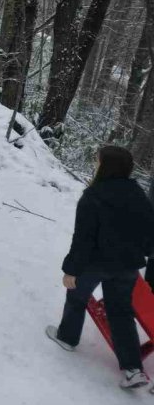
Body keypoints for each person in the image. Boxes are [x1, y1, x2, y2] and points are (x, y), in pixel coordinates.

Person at [46, 145, 154, 389]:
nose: (95, 164)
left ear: (105, 166)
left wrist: (71, 270)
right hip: (127, 266)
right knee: (120, 311)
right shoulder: (138, 194)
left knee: (77, 298)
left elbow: (83, 238)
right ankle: (132, 369)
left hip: (95, 263)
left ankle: (67, 337)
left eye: (97, 160)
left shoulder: (93, 196)